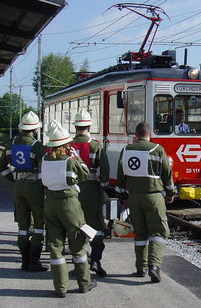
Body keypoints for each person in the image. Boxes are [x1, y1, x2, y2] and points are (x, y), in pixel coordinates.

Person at [41, 120, 96, 298]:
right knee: (78, 245)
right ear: (65, 145)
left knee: (56, 248)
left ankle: (60, 287)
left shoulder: (44, 160)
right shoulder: (69, 161)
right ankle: (84, 283)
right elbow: (85, 174)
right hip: (69, 204)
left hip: (50, 204)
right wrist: (76, 157)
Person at [116, 122, 175, 282]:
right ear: (150, 135)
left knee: (140, 233)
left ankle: (140, 268)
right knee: (159, 231)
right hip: (154, 196)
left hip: (134, 198)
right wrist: (170, 193)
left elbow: (120, 177)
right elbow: (167, 175)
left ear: (135, 135)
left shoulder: (126, 150)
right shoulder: (157, 149)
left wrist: (122, 198)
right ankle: (154, 266)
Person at [0, 111, 47, 273]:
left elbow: (1, 167)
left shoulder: (11, 143)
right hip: (34, 187)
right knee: (39, 222)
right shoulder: (36, 145)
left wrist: (14, 179)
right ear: (34, 129)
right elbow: (43, 169)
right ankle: (34, 260)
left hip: (18, 187)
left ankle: (24, 261)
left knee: (23, 224)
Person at [71, 108, 110, 278]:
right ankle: (95, 260)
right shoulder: (95, 145)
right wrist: (103, 185)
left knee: (76, 227)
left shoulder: (68, 145)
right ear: (89, 126)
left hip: (73, 191)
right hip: (92, 189)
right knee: (97, 227)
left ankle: (79, 264)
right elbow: (105, 169)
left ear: (75, 127)